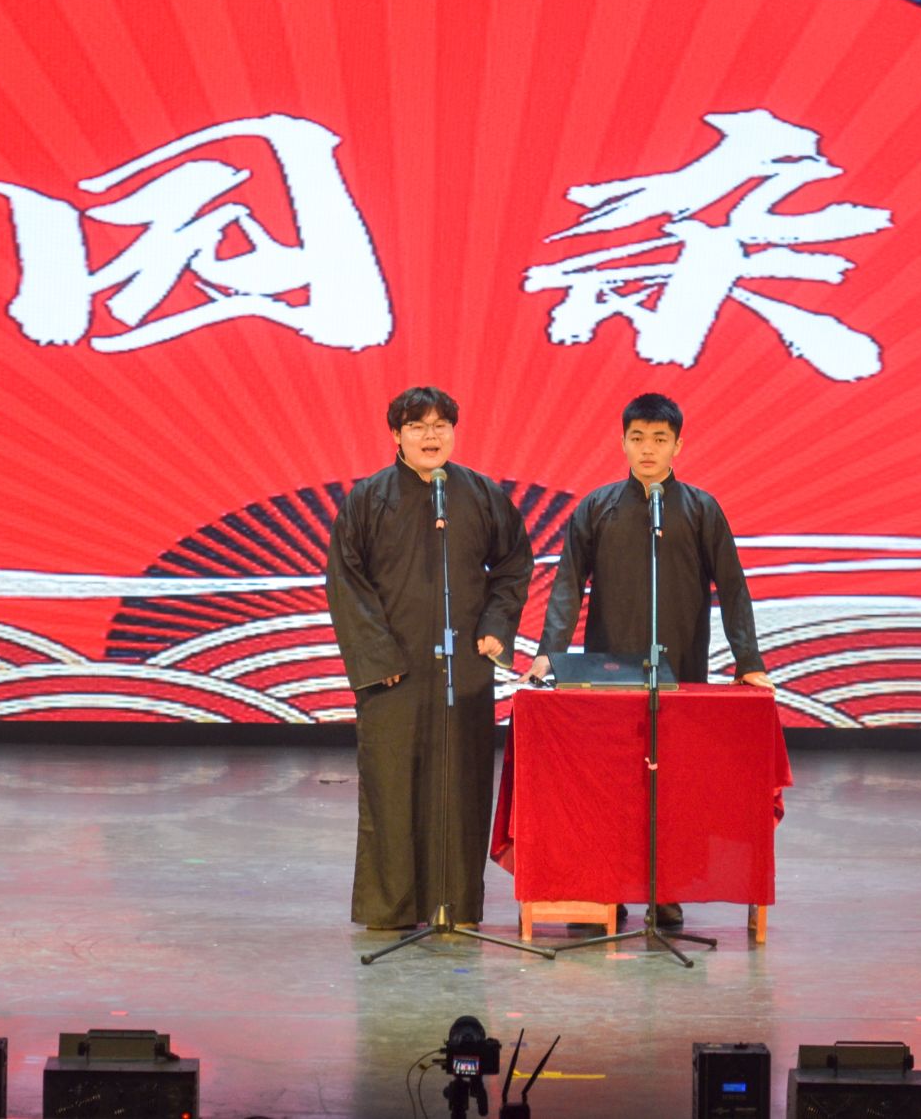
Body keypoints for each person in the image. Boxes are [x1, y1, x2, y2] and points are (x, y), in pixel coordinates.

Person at [529, 391, 771, 928]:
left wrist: (748, 659)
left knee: (674, 785)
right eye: (637, 438)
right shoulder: (597, 507)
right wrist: (550, 654)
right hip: (607, 671)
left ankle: (667, 890)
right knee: (611, 782)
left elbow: (733, 587)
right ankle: (608, 889)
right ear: (622, 442)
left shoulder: (701, 510)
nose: (647, 449)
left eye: (659, 439)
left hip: (680, 668)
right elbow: (567, 585)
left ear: (677, 445)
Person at [326, 385, 532, 931]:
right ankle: (391, 908)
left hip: (462, 669)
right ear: (397, 435)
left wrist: (495, 626)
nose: (430, 436)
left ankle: (455, 905)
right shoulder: (369, 499)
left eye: (441, 425)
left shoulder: (480, 495)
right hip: (393, 673)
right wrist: (377, 656)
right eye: (417, 426)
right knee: (393, 788)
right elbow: (346, 580)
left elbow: (514, 562)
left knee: (460, 786)